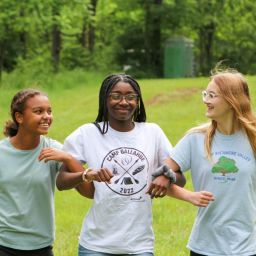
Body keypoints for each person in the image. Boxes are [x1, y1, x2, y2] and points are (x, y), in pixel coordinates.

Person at [56, 74, 214, 256]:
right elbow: (61, 182)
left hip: (139, 245)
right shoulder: (87, 134)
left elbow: (179, 180)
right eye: (116, 96)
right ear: (104, 98)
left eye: (131, 97)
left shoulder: (152, 133)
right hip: (96, 245)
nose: (124, 102)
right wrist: (86, 175)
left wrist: (165, 175)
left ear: (138, 101)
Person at [150, 69, 256, 256]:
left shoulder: (253, 138)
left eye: (212, 95)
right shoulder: (195, 138)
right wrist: (189, 196)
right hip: (204, 246)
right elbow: (160, 176)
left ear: (232, 100)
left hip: (247, 247)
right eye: (205, 94)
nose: (206, 100)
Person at [0, 88, 89, 256]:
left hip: (41, 246)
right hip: (4, 244)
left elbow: (88, 191)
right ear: (19, 117)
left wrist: (69, 158)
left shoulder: (53, 150)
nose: (47, 116)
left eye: (49, 111)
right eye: (38, 111)